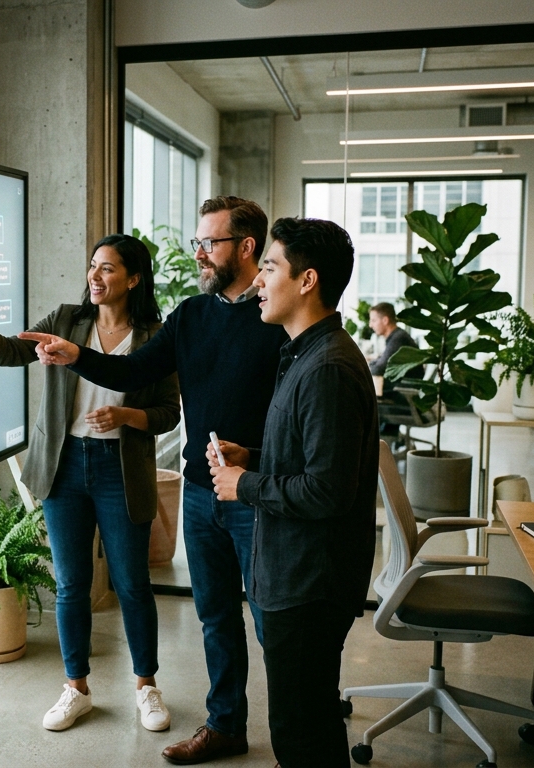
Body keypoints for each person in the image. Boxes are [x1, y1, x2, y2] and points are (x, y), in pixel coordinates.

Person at [19, 197, 288, 765]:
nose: (198, 253)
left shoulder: (276, 318)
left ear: (245, 247)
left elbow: (296, 414)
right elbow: (131, 370)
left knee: (272, 619)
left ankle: (301, 726)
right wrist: (76, 356)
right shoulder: (190, 315)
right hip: (199, 489)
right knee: (215, 616)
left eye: (209, 243)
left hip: (257, 493)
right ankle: (226, 726)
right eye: (198, 242)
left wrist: (258, 457)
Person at [0, 234, 181, 734]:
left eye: (108, 269)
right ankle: (76, 688)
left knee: (133, 585)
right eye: (93, 266)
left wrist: (126, 414)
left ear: (133, 279)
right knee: (71, 586)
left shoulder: (155, 336)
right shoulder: (67, 320)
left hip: (120, 470)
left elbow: (167, 413)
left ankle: (146, 687)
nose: (95, 276)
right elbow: (12, 352)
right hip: (64, 467)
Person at [207, 217, 377, 768]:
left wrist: (244, 485)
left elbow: (327, 490)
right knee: (303, 719)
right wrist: (251, 458)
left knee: (302, 733)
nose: (259, 280)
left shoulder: (326, 366)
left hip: (309, 582)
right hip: (296, 572)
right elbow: (311, 459)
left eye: (271, 267)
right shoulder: (304, 353)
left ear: (307, 280)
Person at [366, 302, 420, 382]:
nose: (370, 325)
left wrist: (367, 365)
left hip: (403, 388)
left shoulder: (398, 338)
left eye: (373, 320)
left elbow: (379, 369)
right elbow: (383, 361)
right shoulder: (397, 336)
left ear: (385, 320)